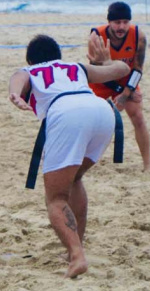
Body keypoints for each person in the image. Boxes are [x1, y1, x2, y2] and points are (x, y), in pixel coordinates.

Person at [8, 33, 130, 278]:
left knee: (55, 198)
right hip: (102, 113)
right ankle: (77, 246)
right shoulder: (76, 67)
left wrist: (16, 96)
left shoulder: (30, 70)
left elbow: (17, 81)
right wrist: (105, 62)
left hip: (67, 114)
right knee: (74, 179)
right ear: (58, 56)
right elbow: (123, 68)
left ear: (30, 59)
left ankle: (76, 255)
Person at [88, 2, 150, 171]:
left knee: (137, 116)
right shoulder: (96, 37)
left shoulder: (139, 36)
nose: (121, 26)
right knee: (91, 120)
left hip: (127, 81)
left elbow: (138, 69)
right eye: (117, 22)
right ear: (109, 22)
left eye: (125, 21)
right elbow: (94, 71)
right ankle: (82, 160)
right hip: (102, 80)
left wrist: (127, 93)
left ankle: (147, 164)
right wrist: (120, 94)